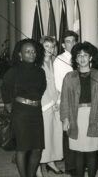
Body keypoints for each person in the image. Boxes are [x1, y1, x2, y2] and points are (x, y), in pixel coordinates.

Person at [60, 42, 98, 177]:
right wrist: (65, 118)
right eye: (79, 55)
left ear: (91, 57)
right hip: (75, 117)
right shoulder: (69, 77)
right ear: (75, 59)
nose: (82, 58)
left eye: (85, 55)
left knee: (92, 152)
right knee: (78, 152)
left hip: (93, 116)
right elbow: (64, 100)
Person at [1, 38, 46, 177]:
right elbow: (5, 89)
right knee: (23, 148)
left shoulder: (40, 71)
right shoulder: (13, 71)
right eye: (27, 52)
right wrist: (9, 107)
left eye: (33, 51)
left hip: (36, 112)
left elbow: (42, 89)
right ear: (20, 55)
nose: (31, 54)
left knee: (37, 149)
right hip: (21, 113)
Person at [35, 36, 63, 177]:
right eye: (46, 46)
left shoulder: (55, 62)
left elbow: (58, 84)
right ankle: (38, 167)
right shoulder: (37, 63)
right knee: (43, 137)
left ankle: (51, 162)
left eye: (51, 47)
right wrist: (49, 103)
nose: (49, 49)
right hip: (43, 105)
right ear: (41, 47)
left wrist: (58, 101)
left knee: (54, 134)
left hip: (55, 104)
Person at [53, 30, 78, 175]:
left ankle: (79, 162)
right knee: (68, 132)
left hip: (81, 101)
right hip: (66, 99)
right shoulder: (59, 60)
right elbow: (58, 84)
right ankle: (70, 166)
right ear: (63, 45)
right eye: (68, 41)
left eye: (74, 41)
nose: (72, 44)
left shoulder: (80, 56)